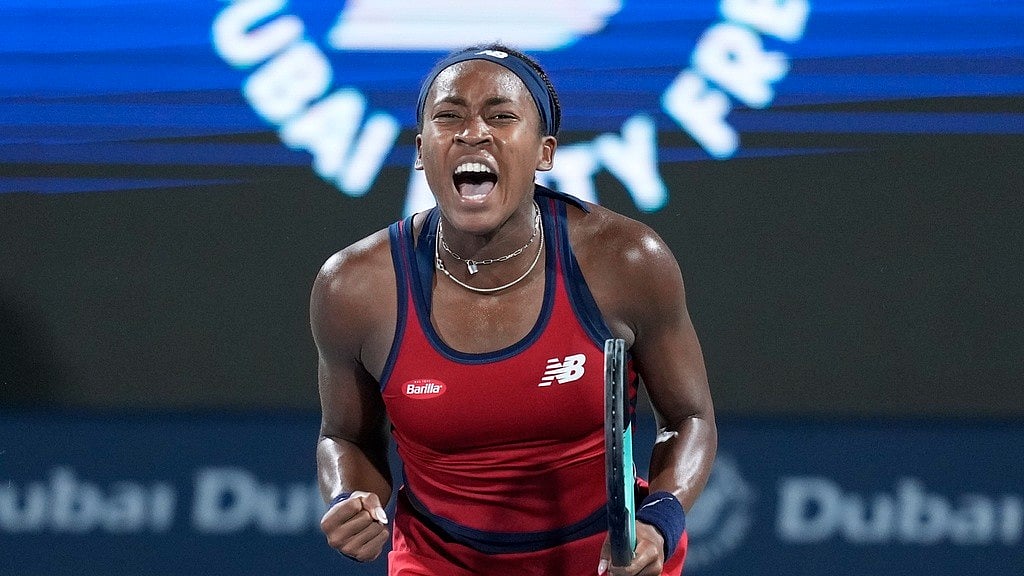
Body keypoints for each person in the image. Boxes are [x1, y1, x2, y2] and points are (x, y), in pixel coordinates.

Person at [311, 43, 716, 576]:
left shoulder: (626, 261)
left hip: (610, 560)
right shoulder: (353, 287)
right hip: (440, 561)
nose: (472, 133)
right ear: (420, 148)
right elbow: (345, 437)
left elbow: (689, 419)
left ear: (545, 152)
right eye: (448, 116)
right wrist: (349, 498)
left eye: (501, 117)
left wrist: (661, 520)